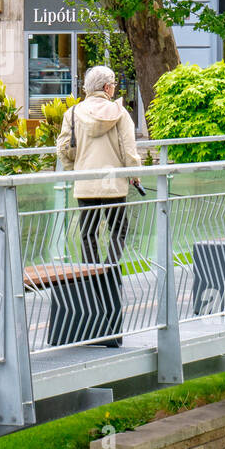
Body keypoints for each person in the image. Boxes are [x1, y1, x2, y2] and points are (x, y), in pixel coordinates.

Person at [56, 65, 141, 344]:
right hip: (114, 183)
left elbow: (64, 148)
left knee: (88, 232)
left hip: (86, 182)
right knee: (118, 229)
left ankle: (91, 270)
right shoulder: (120, 113)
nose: (114, 88)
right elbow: (130, 150)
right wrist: (134, 175)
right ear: (106, 88)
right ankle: (110, 267)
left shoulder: (73, 113)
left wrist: (75, 166)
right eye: (114, 84)